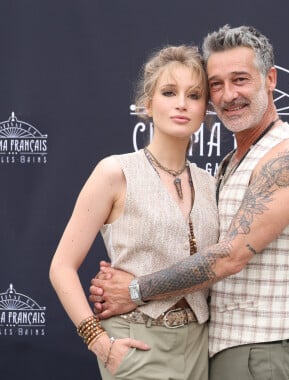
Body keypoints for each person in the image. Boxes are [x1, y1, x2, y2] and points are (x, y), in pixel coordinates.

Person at [90, 25, 289, 380]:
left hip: (262, 352)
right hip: (213, 349)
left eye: (241, 79)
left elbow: (230, 256)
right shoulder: (228, 163)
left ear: (270, 79)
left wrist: (135, 289)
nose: (229, 94)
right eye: (216, 84)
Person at [49, 45, 219, 380]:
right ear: (148, 104)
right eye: (169, 92)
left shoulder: (211, 184)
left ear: (205, 110)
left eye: (194, 95)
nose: (182, 103)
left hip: (200, 348)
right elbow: (61, 267)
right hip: (137, 343)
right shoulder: (115, 172)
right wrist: (99, 342)